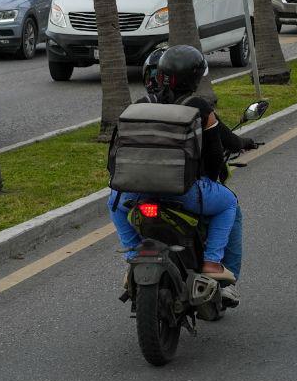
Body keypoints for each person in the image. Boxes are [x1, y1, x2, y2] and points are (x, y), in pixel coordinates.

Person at [108, 46, 255, 285]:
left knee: (114, 203)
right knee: (229, 204)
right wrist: (213, 177)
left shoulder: (141, 104)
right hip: (184, 193)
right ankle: (212, 262)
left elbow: (114, 155)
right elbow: (215, 154)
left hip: (137, 191)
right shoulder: (199, 107)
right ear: (195, 78)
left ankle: (133, 255)